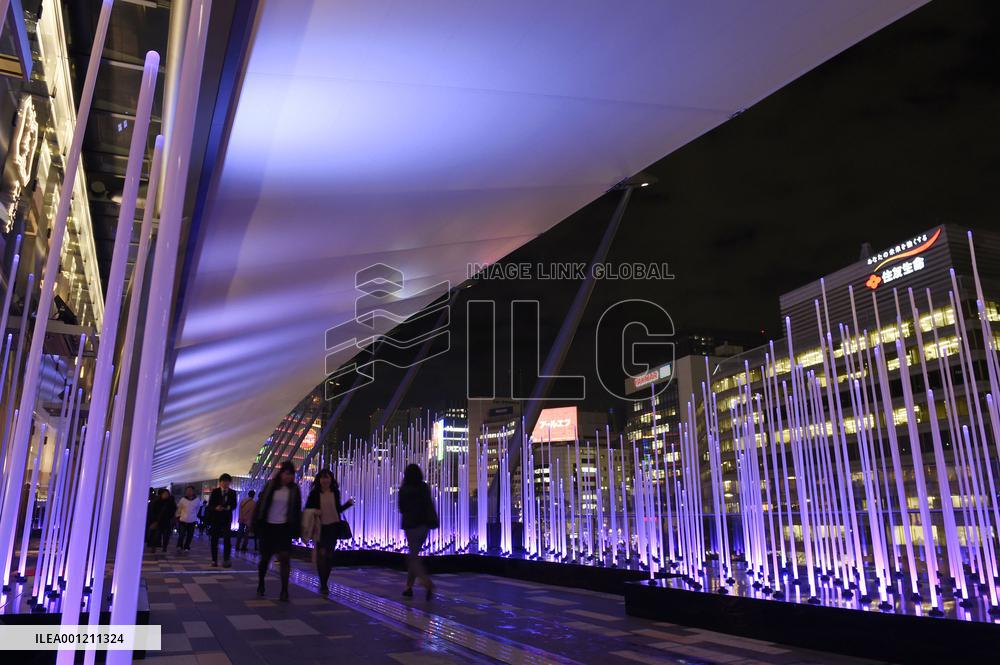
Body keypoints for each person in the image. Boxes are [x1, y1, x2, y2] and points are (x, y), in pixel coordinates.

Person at [253, 461, 302, 601]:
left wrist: (297, 529)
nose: (288, 477)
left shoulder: (294, 489)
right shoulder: (270, 486)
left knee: (285, 558)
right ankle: (261, 583)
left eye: (291, 474)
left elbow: (297, 509)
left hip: (284, 528)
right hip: (268, 527)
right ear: (281, 473)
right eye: (286, 473)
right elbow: (261, 505)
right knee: (265, 559)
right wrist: (257, 524)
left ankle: (284, 590)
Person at [303, 470, 354, 594]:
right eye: (322, 478)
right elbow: (307, 509)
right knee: (321, 554)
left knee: (329, 556)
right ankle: (323, 583)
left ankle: (325, 581)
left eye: (327, 478)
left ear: (331, 480)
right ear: (319, 480)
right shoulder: (314, 494)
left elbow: (337, 509)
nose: (325, 480)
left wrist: (347, 505)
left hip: (333, 527)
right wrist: (315, 511)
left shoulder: (335, 493)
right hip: (320, 527)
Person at [398, 463, 438, 600]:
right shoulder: (424, 487)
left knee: (413, 558)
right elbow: (429, 504)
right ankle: (408, 587)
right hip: (423, 526)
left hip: (410, 526)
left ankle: (426, 582)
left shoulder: (403, 489)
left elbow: (401, 508)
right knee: (414, 555)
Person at [207, 474, 238, 567]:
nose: (225, 483)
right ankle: (214, 560)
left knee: (227, 540)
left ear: (230, 482)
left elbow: (234, 505)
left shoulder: (232, 492)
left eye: (227, 481)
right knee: (214, 540)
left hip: (227, 519)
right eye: (223, 481)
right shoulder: (215, 491)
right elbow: (210, 505)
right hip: (216, 519)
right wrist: (216, 507)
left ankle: (226, 559)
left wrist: (228, 507)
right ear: (220, 482)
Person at [149, 488, 177, 553]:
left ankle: (164, 547)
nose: (166, 495)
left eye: (167, 494)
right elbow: (153, 511)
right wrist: (154, 519)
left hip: (167, 522)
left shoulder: (171, 502)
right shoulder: (156, 502)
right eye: (164, 494)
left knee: (166, 536)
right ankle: (154, 547)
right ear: (161, 494)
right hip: (158, 521)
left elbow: (173, 511)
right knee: (156, 535)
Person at [175, 485, 201, 551]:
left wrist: (194, 516)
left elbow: (197, 509)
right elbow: (179, 509)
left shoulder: (197, 500)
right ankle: (179, 545)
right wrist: (178, 516)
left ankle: (187, 546)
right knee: (181, 534)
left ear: (193, 491)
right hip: (183, 520)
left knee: (190, 535)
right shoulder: (183, 499)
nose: (189, 492)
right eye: (187, 491)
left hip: (192, 521)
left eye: (190, 490)